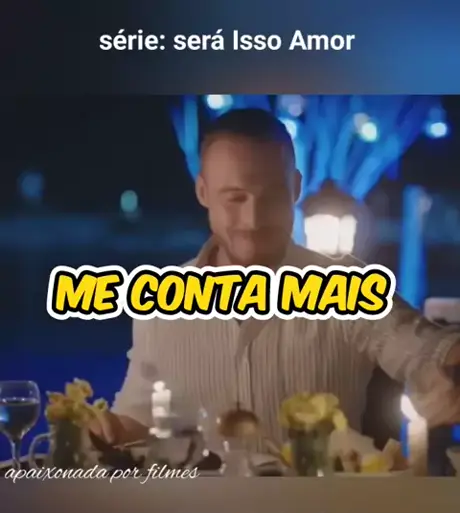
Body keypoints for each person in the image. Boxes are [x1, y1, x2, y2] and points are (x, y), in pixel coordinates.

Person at [89, 107, 460, 448]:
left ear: (295, 188)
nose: (253, 220)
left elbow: (430, 349)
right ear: (203, 192)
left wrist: (449, 376)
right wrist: (104, 430)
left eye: (271, 197)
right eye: (235, 198)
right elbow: (137, 419)